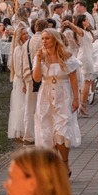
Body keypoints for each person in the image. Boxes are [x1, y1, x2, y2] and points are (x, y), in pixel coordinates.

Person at [32, 29, 82, 176]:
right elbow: (36, 78)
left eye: (47, 38)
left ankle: (65, 162)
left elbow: (73, 78)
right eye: (42, 38)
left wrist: (76, 98)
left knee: (62, 129)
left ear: (55, 40)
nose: (44, 41)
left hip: (63, 93)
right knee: (48, 130)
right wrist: (39, 60)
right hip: (46, 93)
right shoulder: (40, 56)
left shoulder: (66, 56)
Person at [8, 23, 29, 142]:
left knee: (25, 105)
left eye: (27, 33)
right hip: (21, 80)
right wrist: (24, 83)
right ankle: (20, 131)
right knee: (21, 105)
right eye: (23, 34)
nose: (26, 35)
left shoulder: (25, 47)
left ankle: (25, 130)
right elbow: (18, 67)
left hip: (23, 79)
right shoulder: (18, 49)